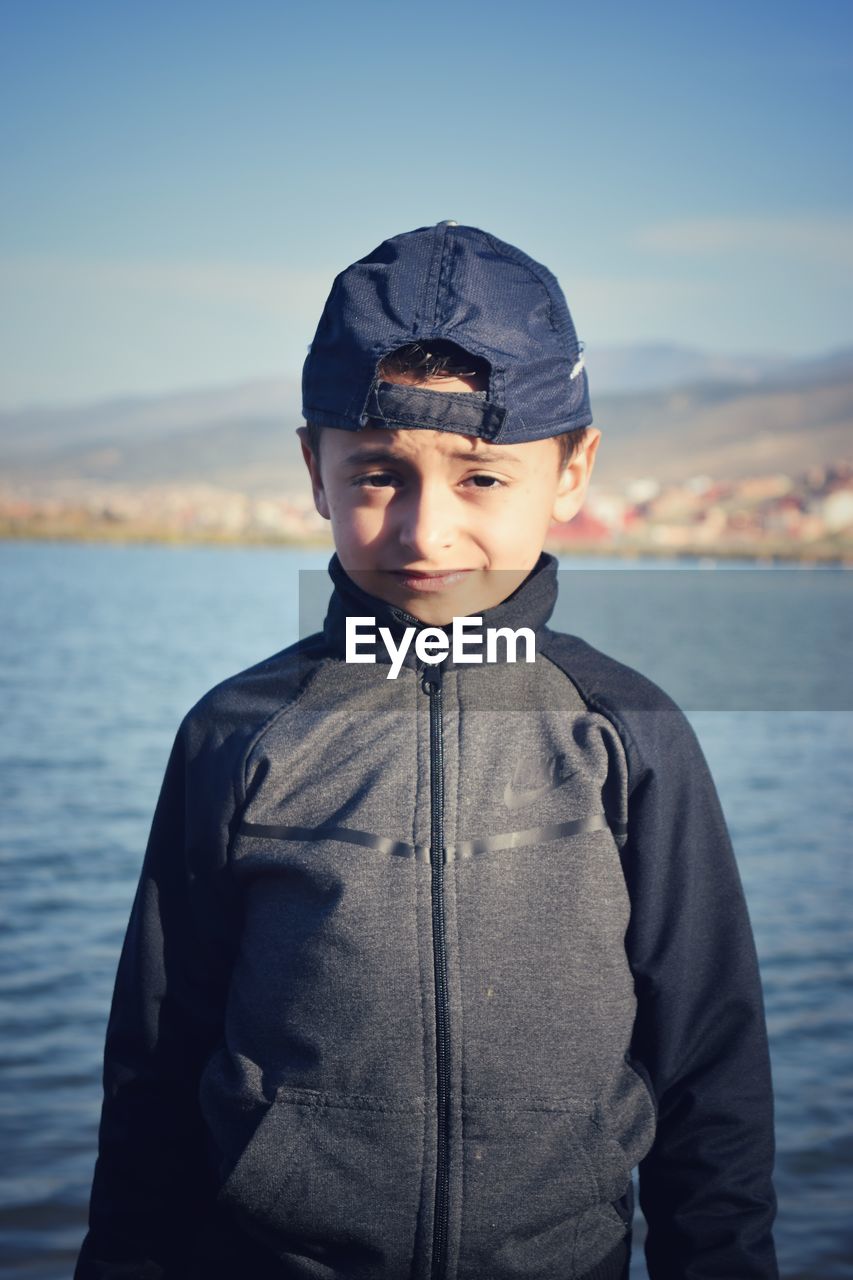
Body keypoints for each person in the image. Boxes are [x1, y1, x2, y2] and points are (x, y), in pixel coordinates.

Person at [75, 222, 778, 1280]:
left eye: (480, 478)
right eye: (376, 474)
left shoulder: (629, 733)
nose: (424, 532)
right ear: (313, 467)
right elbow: (156, 1068)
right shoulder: (237, 733)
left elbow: (709, 1079)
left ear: (571, 469)